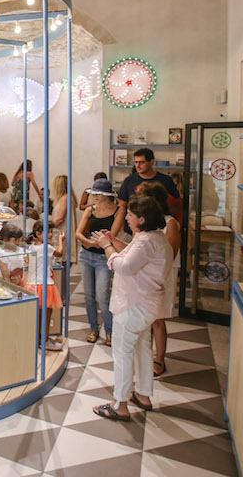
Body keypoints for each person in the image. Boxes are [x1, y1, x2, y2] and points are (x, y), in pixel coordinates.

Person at [90, 195, 172, 421]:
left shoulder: (146, 241)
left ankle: (119, 404)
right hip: (146, 305)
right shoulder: (154, 237)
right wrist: (114, 240)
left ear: (142, 219)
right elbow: (133, 254)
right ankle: (143, 394)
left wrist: (107, 246)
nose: (126, 217)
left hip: (133, 304)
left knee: (122, 352)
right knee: (142, 349)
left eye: (130, 215)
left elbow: (124, 267)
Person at [136, 181, 181, 377]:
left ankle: (160, 358)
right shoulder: (147, 223)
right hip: (144, 276)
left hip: (161, 277)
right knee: (144, 318)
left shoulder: (170, 224)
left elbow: (168, 255)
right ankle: (145, 355)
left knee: (158, 319)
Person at [75, 178, 118, 346]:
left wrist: (97, 242)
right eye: (94, 193)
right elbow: (78, 233)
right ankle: (93, 328)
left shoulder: (117, 211)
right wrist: (90, 243)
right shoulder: (90, 210)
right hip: (86, 255)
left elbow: (112, 235)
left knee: (102, 295)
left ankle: (110, 331)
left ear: (107, 195)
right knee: (88, 295)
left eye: (99, 194)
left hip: (103, 258)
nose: (95, 196)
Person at [10, 223, 65, 351]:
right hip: (44, 284)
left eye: (51, 231)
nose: (50, 234)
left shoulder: (32, 246)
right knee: (46, 316)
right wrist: (61, 240)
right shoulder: (47, 247)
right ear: (38, 234)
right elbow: (60, 253)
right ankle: (45, 341)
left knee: (38, 316)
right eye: (48, 232)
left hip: (32, 284)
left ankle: (38, 339)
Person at [112, 148, 182, 235]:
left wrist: (158, 212)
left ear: (151, 162)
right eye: (136, 162)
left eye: (142, 162)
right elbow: (122, 208)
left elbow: (178, 206)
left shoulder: (166, 180)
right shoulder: (129, 181)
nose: (138, 166)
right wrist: (115, 233)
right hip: (132, 230)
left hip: (158, 230)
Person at [51, 175, 78, 262]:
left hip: (62, 232)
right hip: (63, 232)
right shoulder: (68, 197)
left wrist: (49, 227)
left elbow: (60, 218)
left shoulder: (65, 198)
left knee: (62, 260)